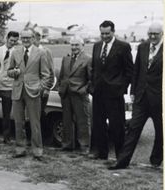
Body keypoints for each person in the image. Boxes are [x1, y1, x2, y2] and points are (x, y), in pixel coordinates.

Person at [108, 23, 163, 170]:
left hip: (159, 99)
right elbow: (136, 71)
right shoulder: (143, 47)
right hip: (141, 98)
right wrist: (132, 91)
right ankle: (122, 162)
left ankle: (155, 162)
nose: (152, 36)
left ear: (162, 34)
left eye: (155, 34)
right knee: (133, 129)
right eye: (150, 33)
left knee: (161, 132)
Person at [89, 20, 133, 160]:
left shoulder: (123, 47)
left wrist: (121, 88)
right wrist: (92, 86)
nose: (105, 36)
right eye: (102, 33)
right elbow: (95, 69)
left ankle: (121, 157)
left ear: (113, 32)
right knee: (99, 126)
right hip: (98, 93)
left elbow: (129, 71)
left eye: (107, 33)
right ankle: (102, 154)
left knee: (117, 127)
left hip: (114, 95)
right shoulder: (96, 46)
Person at [7, 29, 51, 161]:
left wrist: (40, 87)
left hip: (33, 91)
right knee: (18, 122)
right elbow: (9, 71)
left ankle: (37, 151)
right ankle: (20, 149)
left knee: (35, 122)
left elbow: (46, 75)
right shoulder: (15, 52)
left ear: (33, 38)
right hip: (18, 90)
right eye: (23, 38)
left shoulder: (41, 52)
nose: (25, 40)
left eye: (28, 38)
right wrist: (13, 72)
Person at [58, 36, 92, 153]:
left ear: (82, 46)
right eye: (72, 45)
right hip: (66, 94)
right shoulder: (66, 59)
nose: (74, 47)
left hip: (79, 95)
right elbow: (62, 76)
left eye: (77, 45)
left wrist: (84, 90)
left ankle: (84, 146)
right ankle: (67, 144)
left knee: (82, 121)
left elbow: (92, 80)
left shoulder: (88, 59)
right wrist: (60, 88)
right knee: (66, 120)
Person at [0, 31, 19, 144]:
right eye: (11, 40)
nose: (13, 43)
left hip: (8, 86)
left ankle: (6, 137)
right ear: (7, 39)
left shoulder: (16, 53)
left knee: (7, 114)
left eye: (15, 41)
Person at [33, 30, 55, 127]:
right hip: (31, 88)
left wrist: (47, 88)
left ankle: (42, 139)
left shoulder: (46, 52)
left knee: (39, 114)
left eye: (33, 39)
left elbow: (51, 71)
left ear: (38, 39)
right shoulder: (30, 51)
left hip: (42, 88)